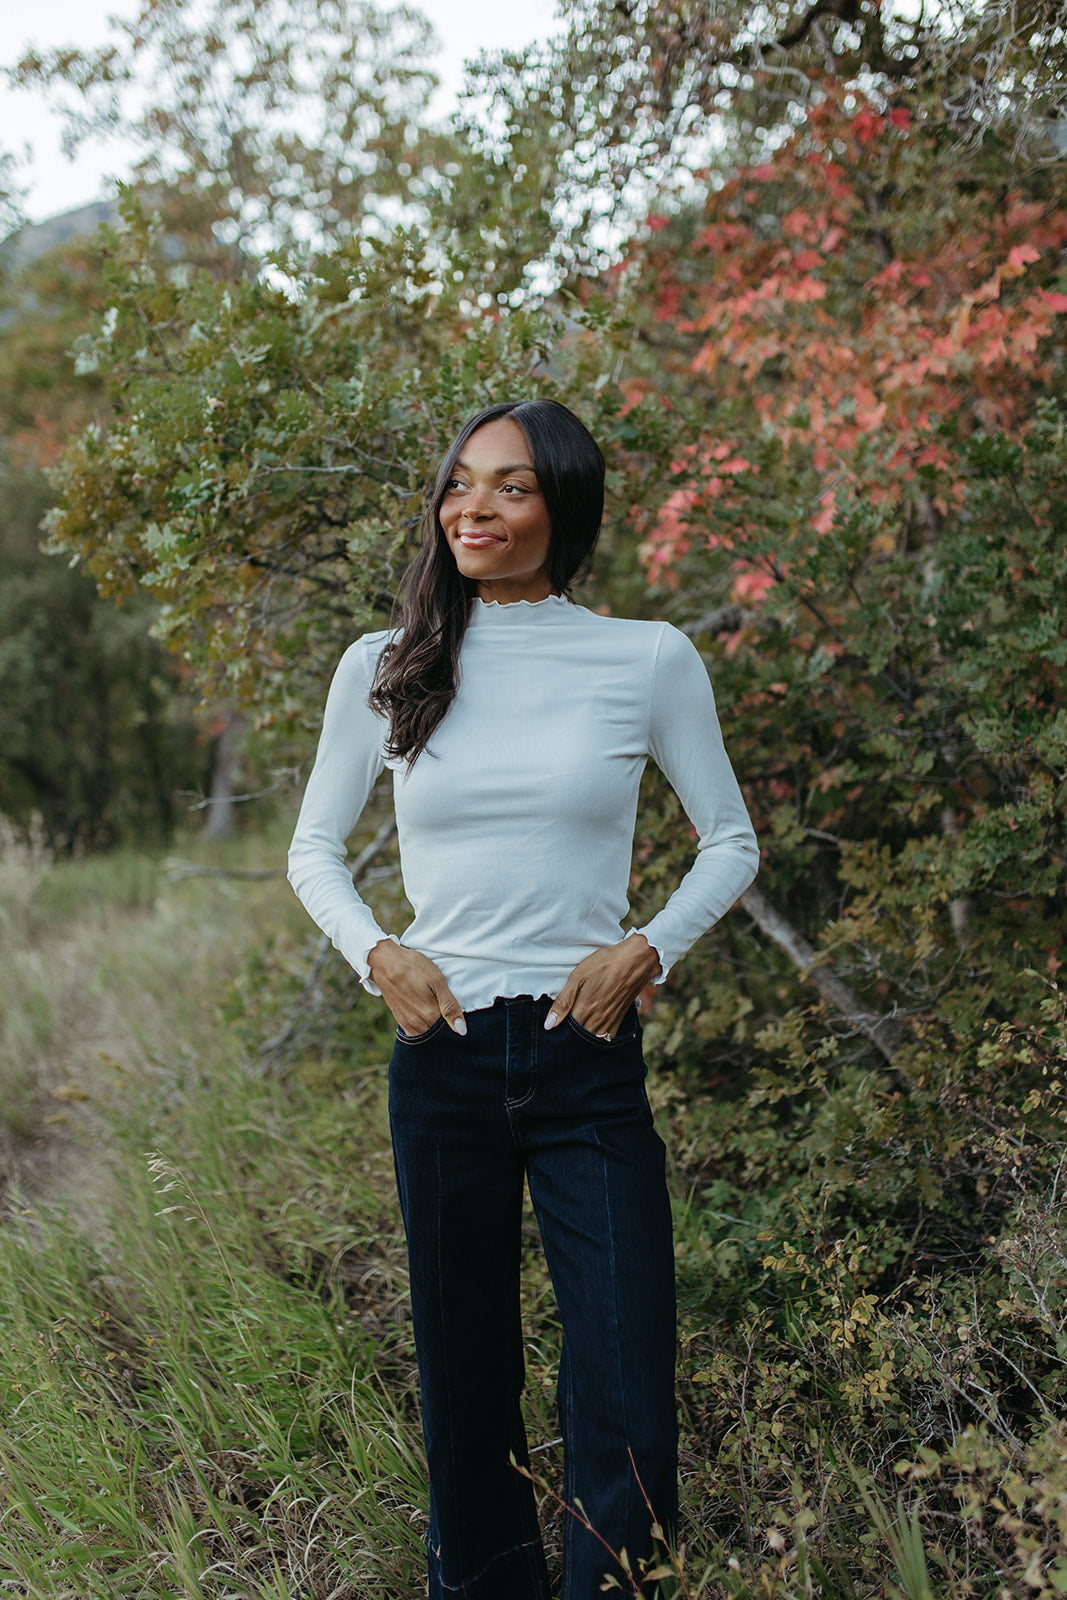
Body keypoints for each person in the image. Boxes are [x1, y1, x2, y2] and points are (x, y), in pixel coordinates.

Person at [287, 398, 759, 1600]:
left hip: (579, 1048)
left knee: (624, 1372)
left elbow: (731, 840)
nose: (473, 508)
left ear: (564, 504)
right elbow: (312, 850)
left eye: (509, 485)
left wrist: (643, 949)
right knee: (464, 1381)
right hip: (441, 1053)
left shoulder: (644, 657)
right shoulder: (387, 663)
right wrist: (376, 952)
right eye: (459, 484)